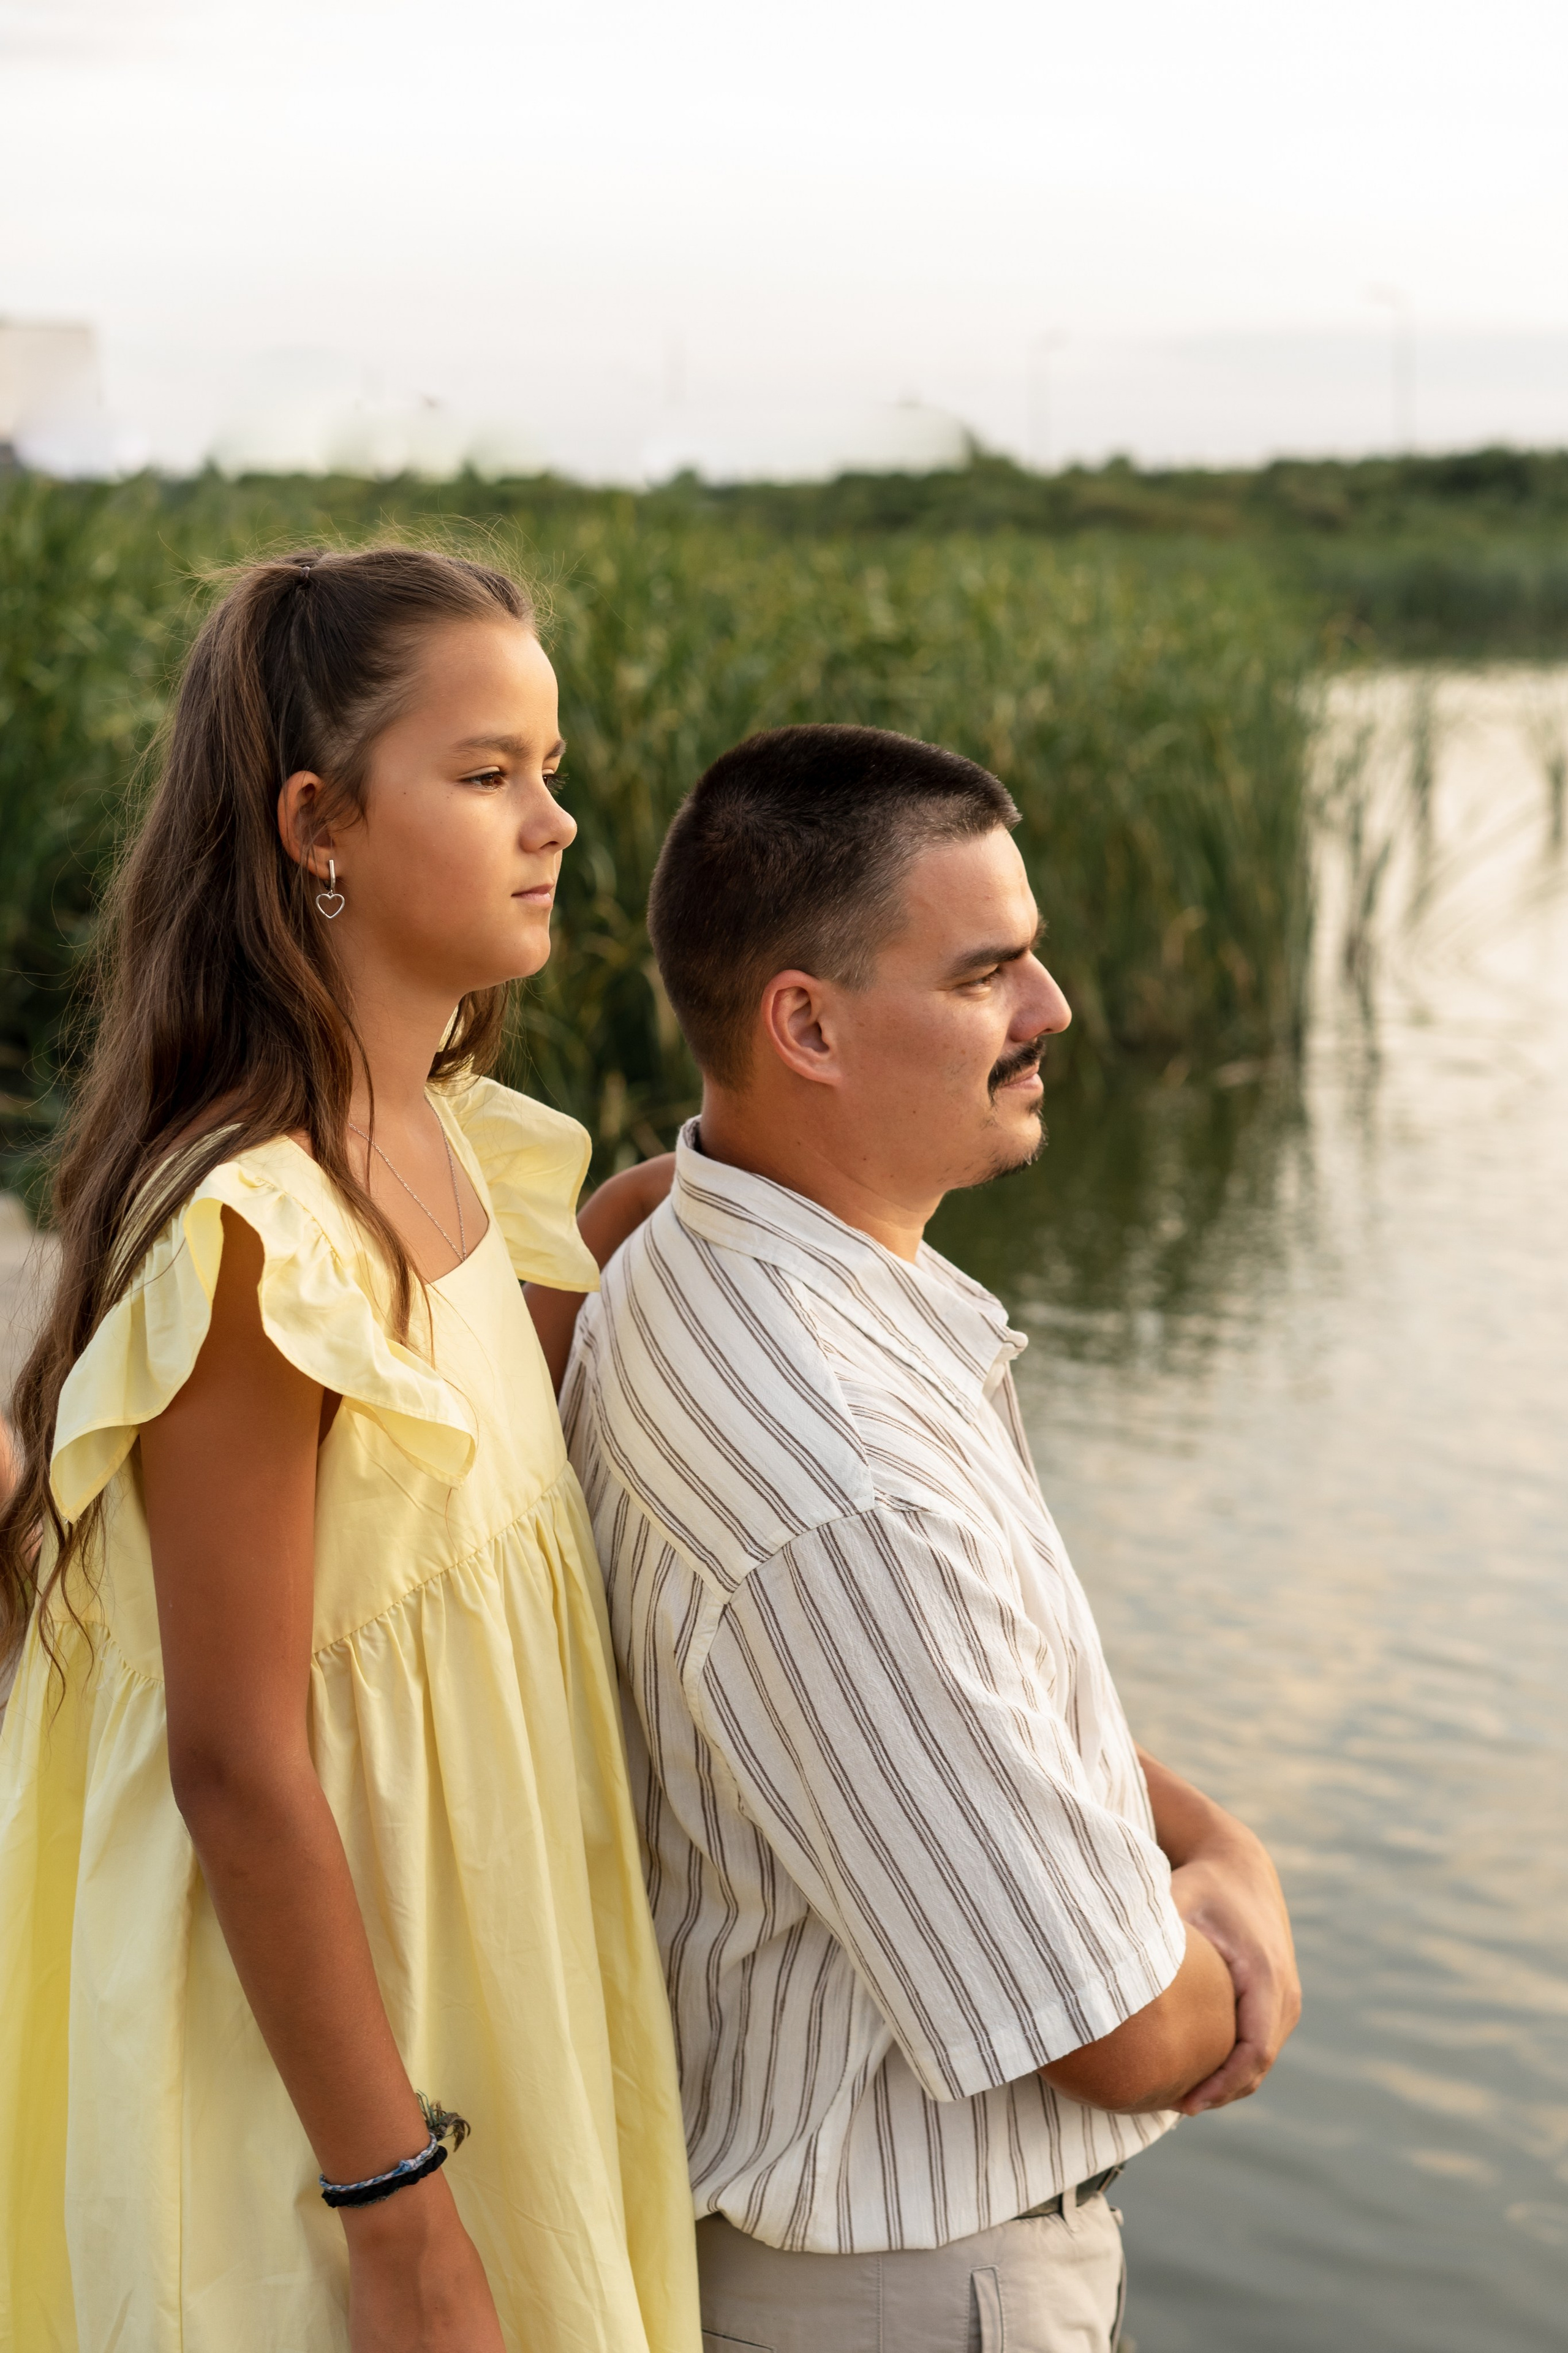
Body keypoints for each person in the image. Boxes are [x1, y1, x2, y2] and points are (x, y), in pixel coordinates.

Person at [0, 546, 700, 2353]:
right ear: (317, 823)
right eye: (486, 774)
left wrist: (736, 1190)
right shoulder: (263, 1242)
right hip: (320, 2085)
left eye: (550, 768)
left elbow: (494, 1477)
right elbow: (235, 1759)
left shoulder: (464, 1148)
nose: (554, 820)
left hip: (482, 1974)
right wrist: (397, 2211)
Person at [557, 725, 1302, 2353]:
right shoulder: (842, 1479)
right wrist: (1237, 1947)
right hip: (915, 2297)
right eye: (987, 975)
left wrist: (1216, 1839)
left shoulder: (681, 1232)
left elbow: (971, 1702)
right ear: (806, 1025)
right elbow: (1110, 2027)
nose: (1053, 1010)